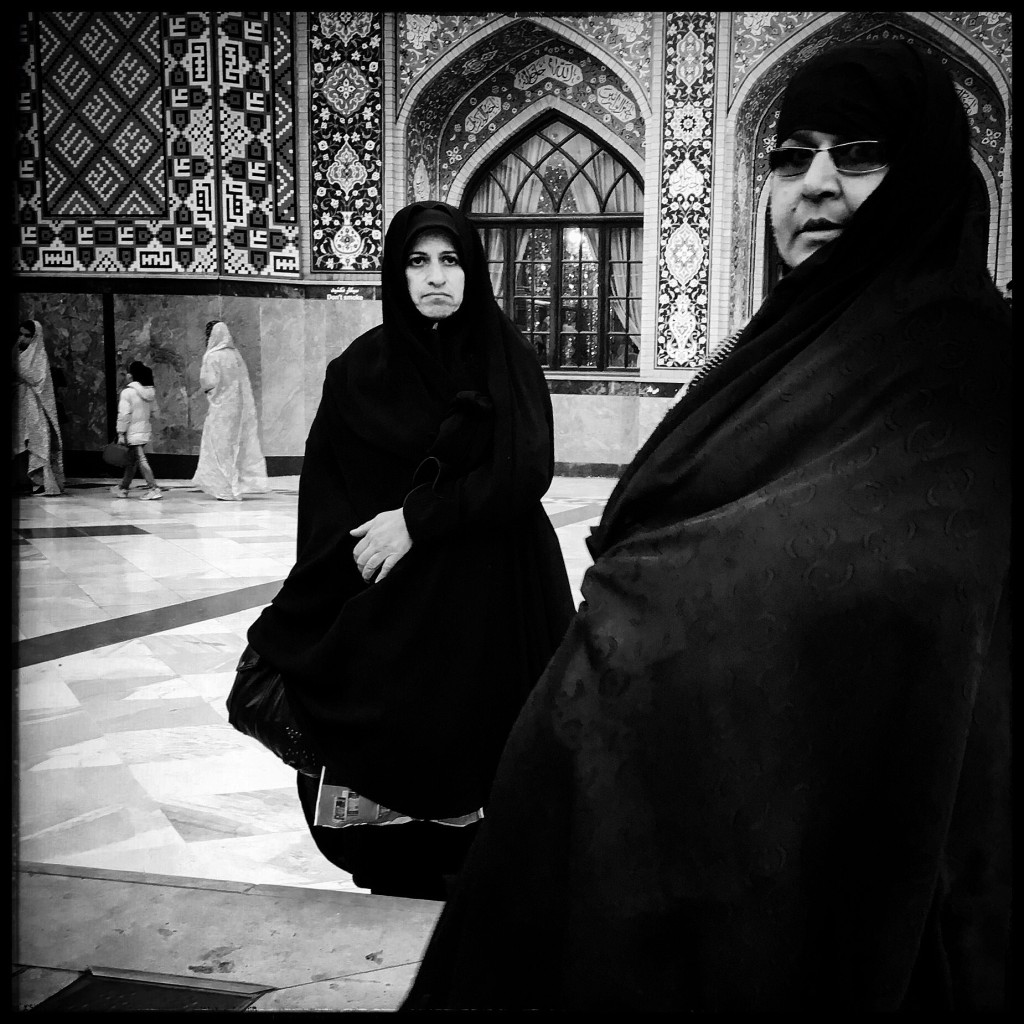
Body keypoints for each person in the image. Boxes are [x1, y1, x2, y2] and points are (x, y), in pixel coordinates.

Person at [401, 42, 1010, 1012]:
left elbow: (915, 587)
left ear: (931, 176)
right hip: (713, 840)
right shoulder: (762, 360)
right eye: (789, 156)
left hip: (894, 869)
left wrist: (661, 607)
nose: (815, 185)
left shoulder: (975, 382)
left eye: (857, 155)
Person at [245, 201, 575, 899]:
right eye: (417, 262)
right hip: (393, 602)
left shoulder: (503, 356)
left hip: (493, 595)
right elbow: (328, 496)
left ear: (473, 270)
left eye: (450, 260)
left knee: (495, 775)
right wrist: (346, 576)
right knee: (389, 787)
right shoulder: (359, 371)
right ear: (395, 275)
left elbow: (524, 471)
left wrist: (417, 521)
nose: (436, 277)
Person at [192, 320, 269, 501]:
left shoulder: (212, 356)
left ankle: (224, 487)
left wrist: (212, 393)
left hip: (220, 410)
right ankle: (236, 485)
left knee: (218, 447)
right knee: (236, 446)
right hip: (238, 410)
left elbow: (208, 382)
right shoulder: (235, 355)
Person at [12, 319, 64, 496]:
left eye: (27, 335)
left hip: (34, 407)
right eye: (21, 334)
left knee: (36, 444)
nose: (23, 338)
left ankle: (39, 482)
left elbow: (30, 375)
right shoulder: (20, 352)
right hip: (19, 403)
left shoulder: (38, 357)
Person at [112, 360, 162, 499]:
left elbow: (124, 414)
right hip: (145, 430)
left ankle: (153, 488)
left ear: (131, 375)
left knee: (140, 459)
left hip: (132, 431)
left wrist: (121, 433)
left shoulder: (127, 393)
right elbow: (156, 413)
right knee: (132, 461)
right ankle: (123, 487)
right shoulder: (150, 392)